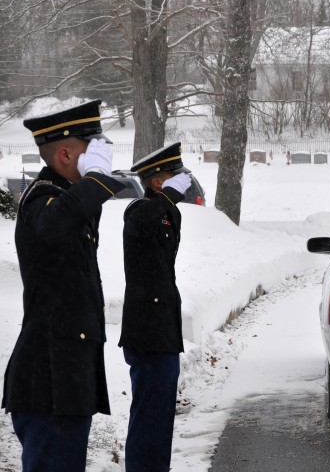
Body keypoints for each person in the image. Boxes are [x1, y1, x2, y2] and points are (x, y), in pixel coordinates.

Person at [1, 99, 125, 472]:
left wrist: (91, 183)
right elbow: (57, 224)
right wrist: (95, 180)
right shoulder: (42, 200)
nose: (102, 156)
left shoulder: (65, 201)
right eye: (93, 149)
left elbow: (77, 215)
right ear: (67, 154)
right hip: (48, 383)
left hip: (66, 382)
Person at [118, 142, 192, 472]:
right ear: (158, 182)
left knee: (161, 417)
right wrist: (166, 198)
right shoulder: (138, 210)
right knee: (148, 415)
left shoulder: (169, 213)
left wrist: (168, 202)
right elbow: (140, 224)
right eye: (174, 175)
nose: (182, 181)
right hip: (146, 331)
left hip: (164, 329)